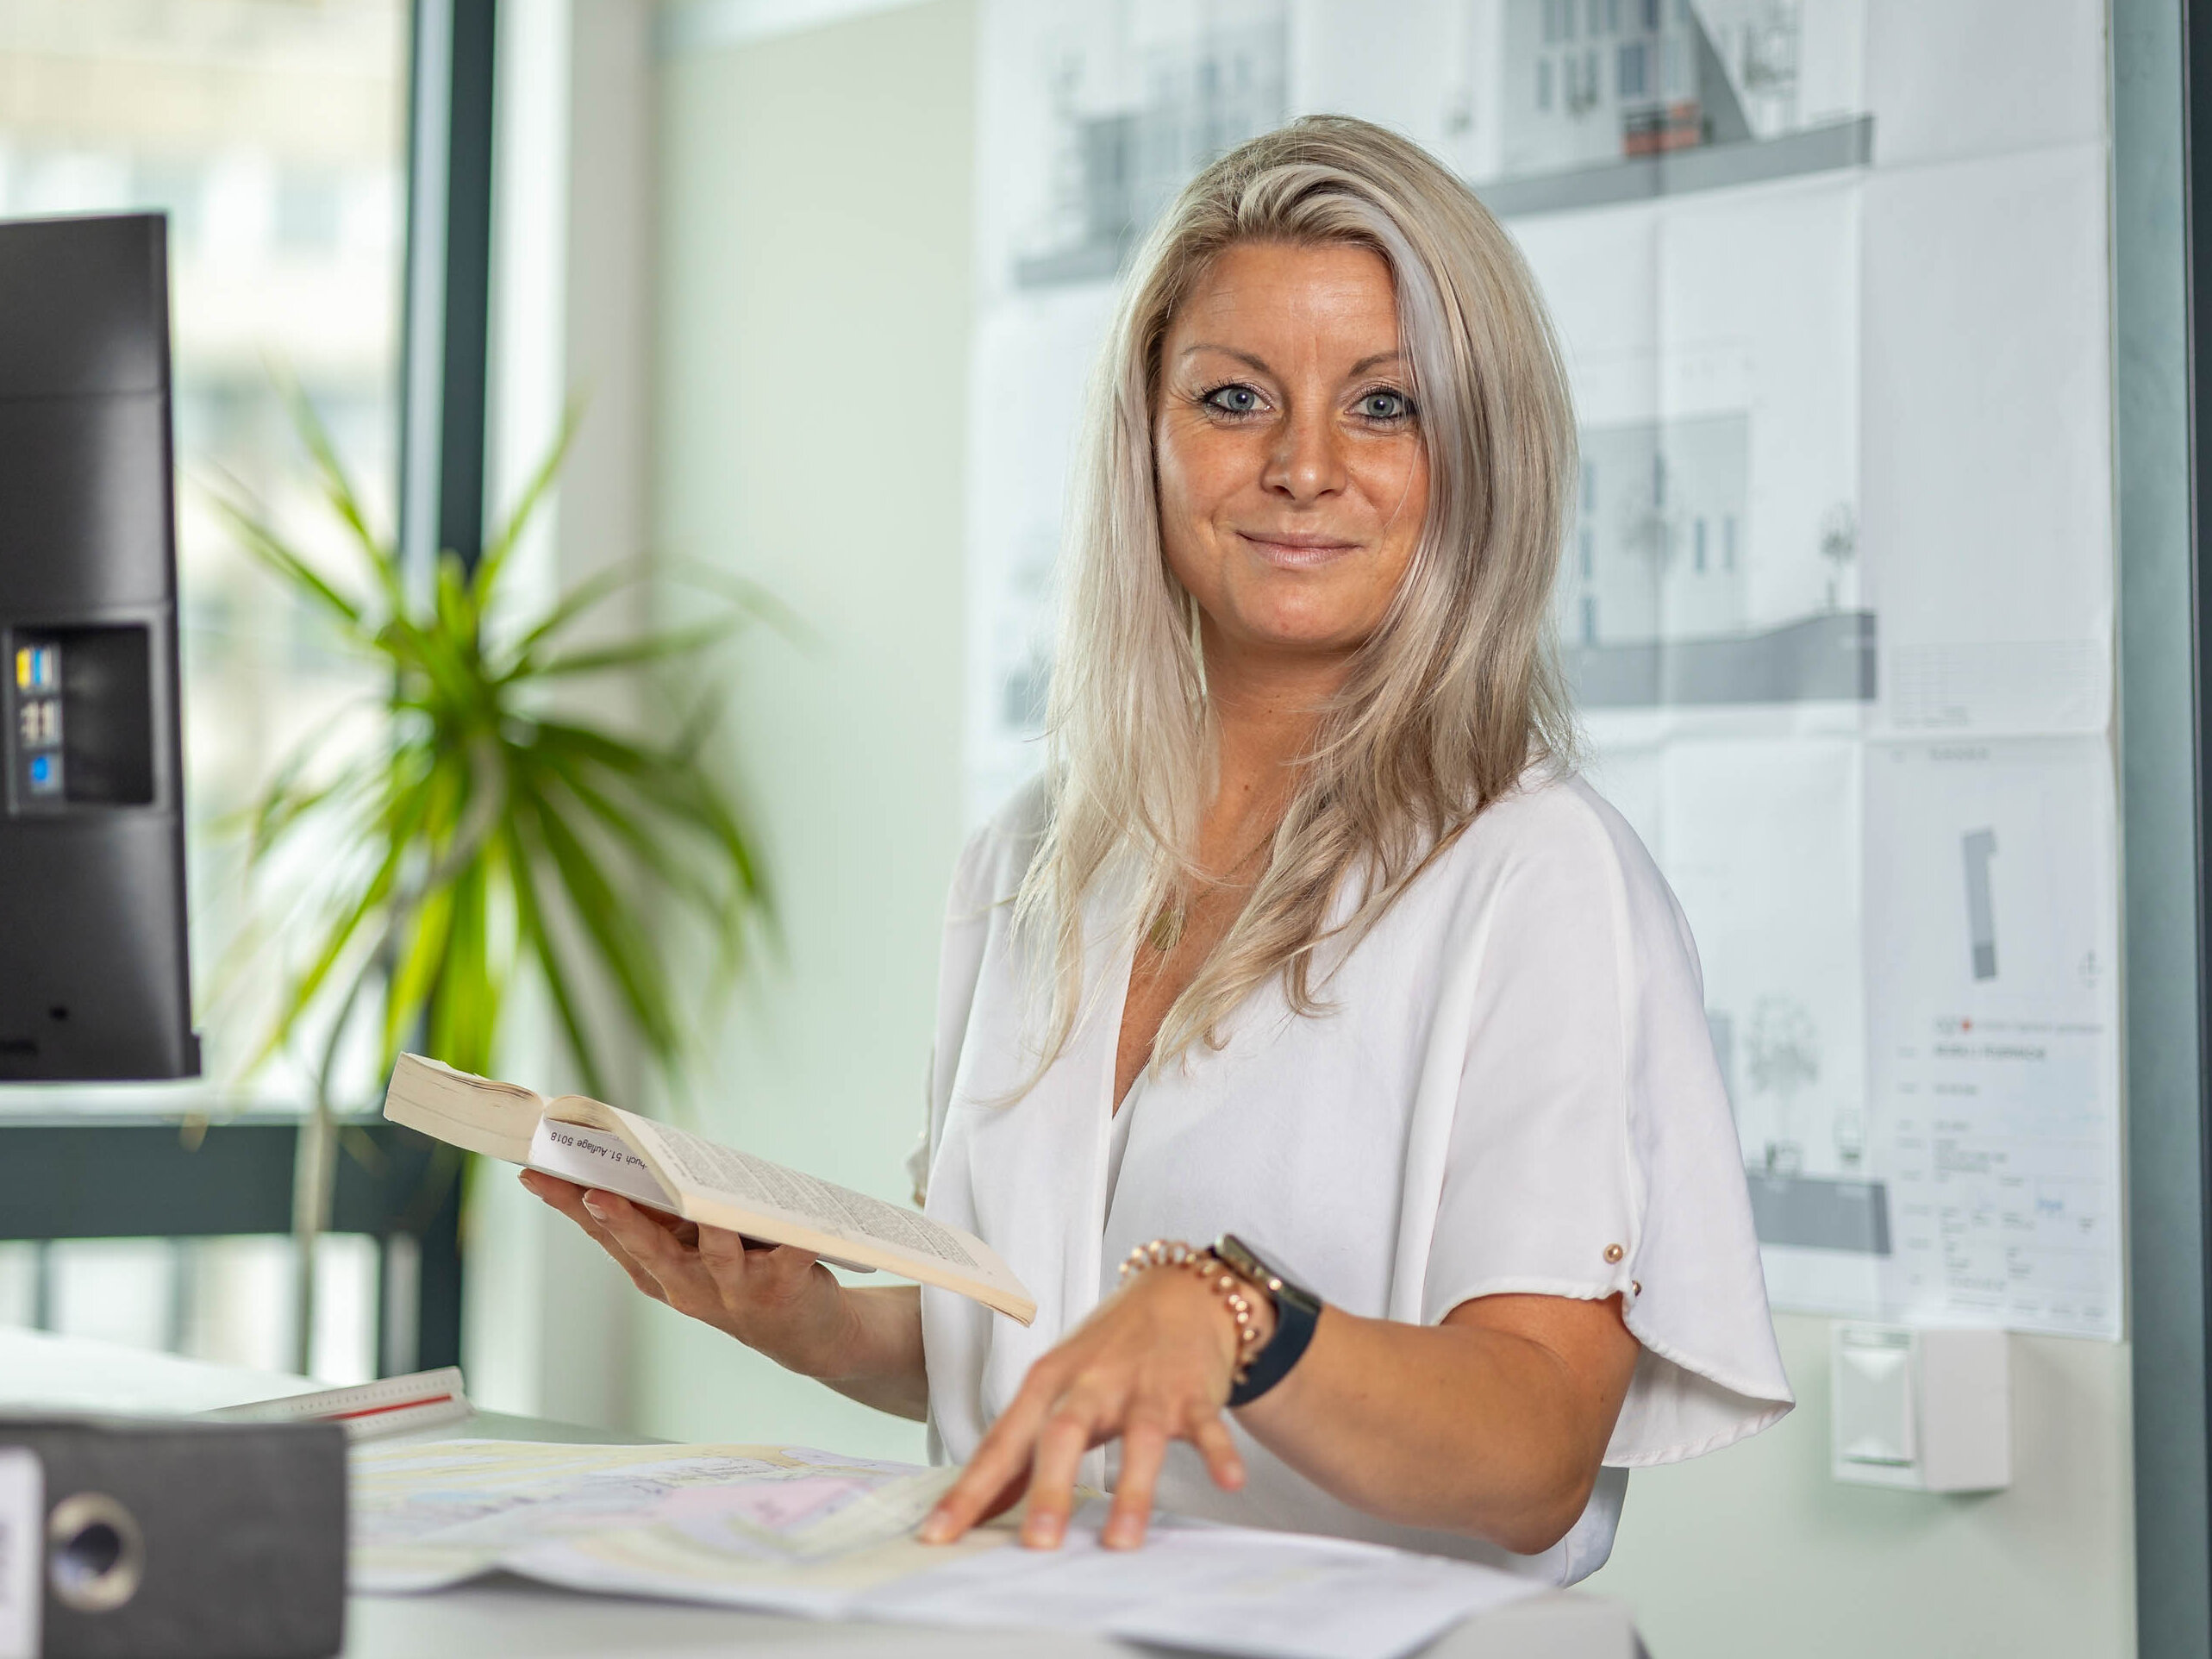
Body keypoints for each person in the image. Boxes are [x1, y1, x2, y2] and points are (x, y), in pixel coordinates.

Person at [522, 114, 1791, 1587]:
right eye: (1235, 398)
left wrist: (1243, 1315)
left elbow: (1529, 1458)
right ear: (1147, 438)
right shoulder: (1034, 856)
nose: (1304, 467)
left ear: (1475, 456)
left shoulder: (1536, 875)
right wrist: (810, 1322)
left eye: (1384, 406)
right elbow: (1039, 1340)